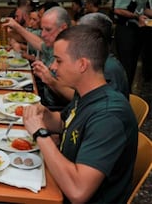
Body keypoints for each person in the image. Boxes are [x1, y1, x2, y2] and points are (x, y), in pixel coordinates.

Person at [22, 25, 138, 203]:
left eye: (58, 61)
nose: (52, 67)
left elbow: (77, 192)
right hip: (62, 184)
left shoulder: (109, 116)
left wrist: (40, 133)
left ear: (82, 64)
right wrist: (43, 114)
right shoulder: (86, 94)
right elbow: (64, 122)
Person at [5, 6, 71, 108]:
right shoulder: (53, 45)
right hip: (42, 99)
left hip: (56, 110)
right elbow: (39, 43)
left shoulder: (73, 51)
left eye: (48, 30)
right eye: (42, 29)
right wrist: (17, 27)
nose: (43, 34)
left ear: (63, 28)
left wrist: (51, 81)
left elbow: (76, 97)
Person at [113, 0, 152, 89]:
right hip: (125, 30)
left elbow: (142, 9)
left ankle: (128, 90)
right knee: (126, 63)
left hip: (136, 30)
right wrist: (136, 17)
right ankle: (122, 90)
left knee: (133, 63)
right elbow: (118, 9)